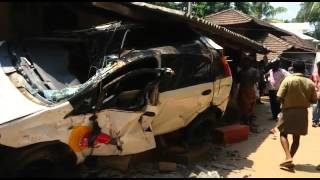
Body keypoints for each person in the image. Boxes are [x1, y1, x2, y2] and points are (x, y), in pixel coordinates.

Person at [276, 61, 317, 169]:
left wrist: (284, 102)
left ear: (293, 69)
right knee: (296, 138)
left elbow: (279, 96)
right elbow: (314, 100)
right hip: (302, 112)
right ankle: (289, 159)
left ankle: (288, 157)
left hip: (288, 110)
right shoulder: (310, 83)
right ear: (304, 69)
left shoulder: (288, 80)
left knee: (283, 134)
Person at [310, 61, 320, 127]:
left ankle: (317, 121)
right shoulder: (314, 74)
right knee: (315, 107)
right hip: (315, 93)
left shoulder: (314, 74)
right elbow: (310, 83)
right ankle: (314, 121)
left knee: (318, 107)